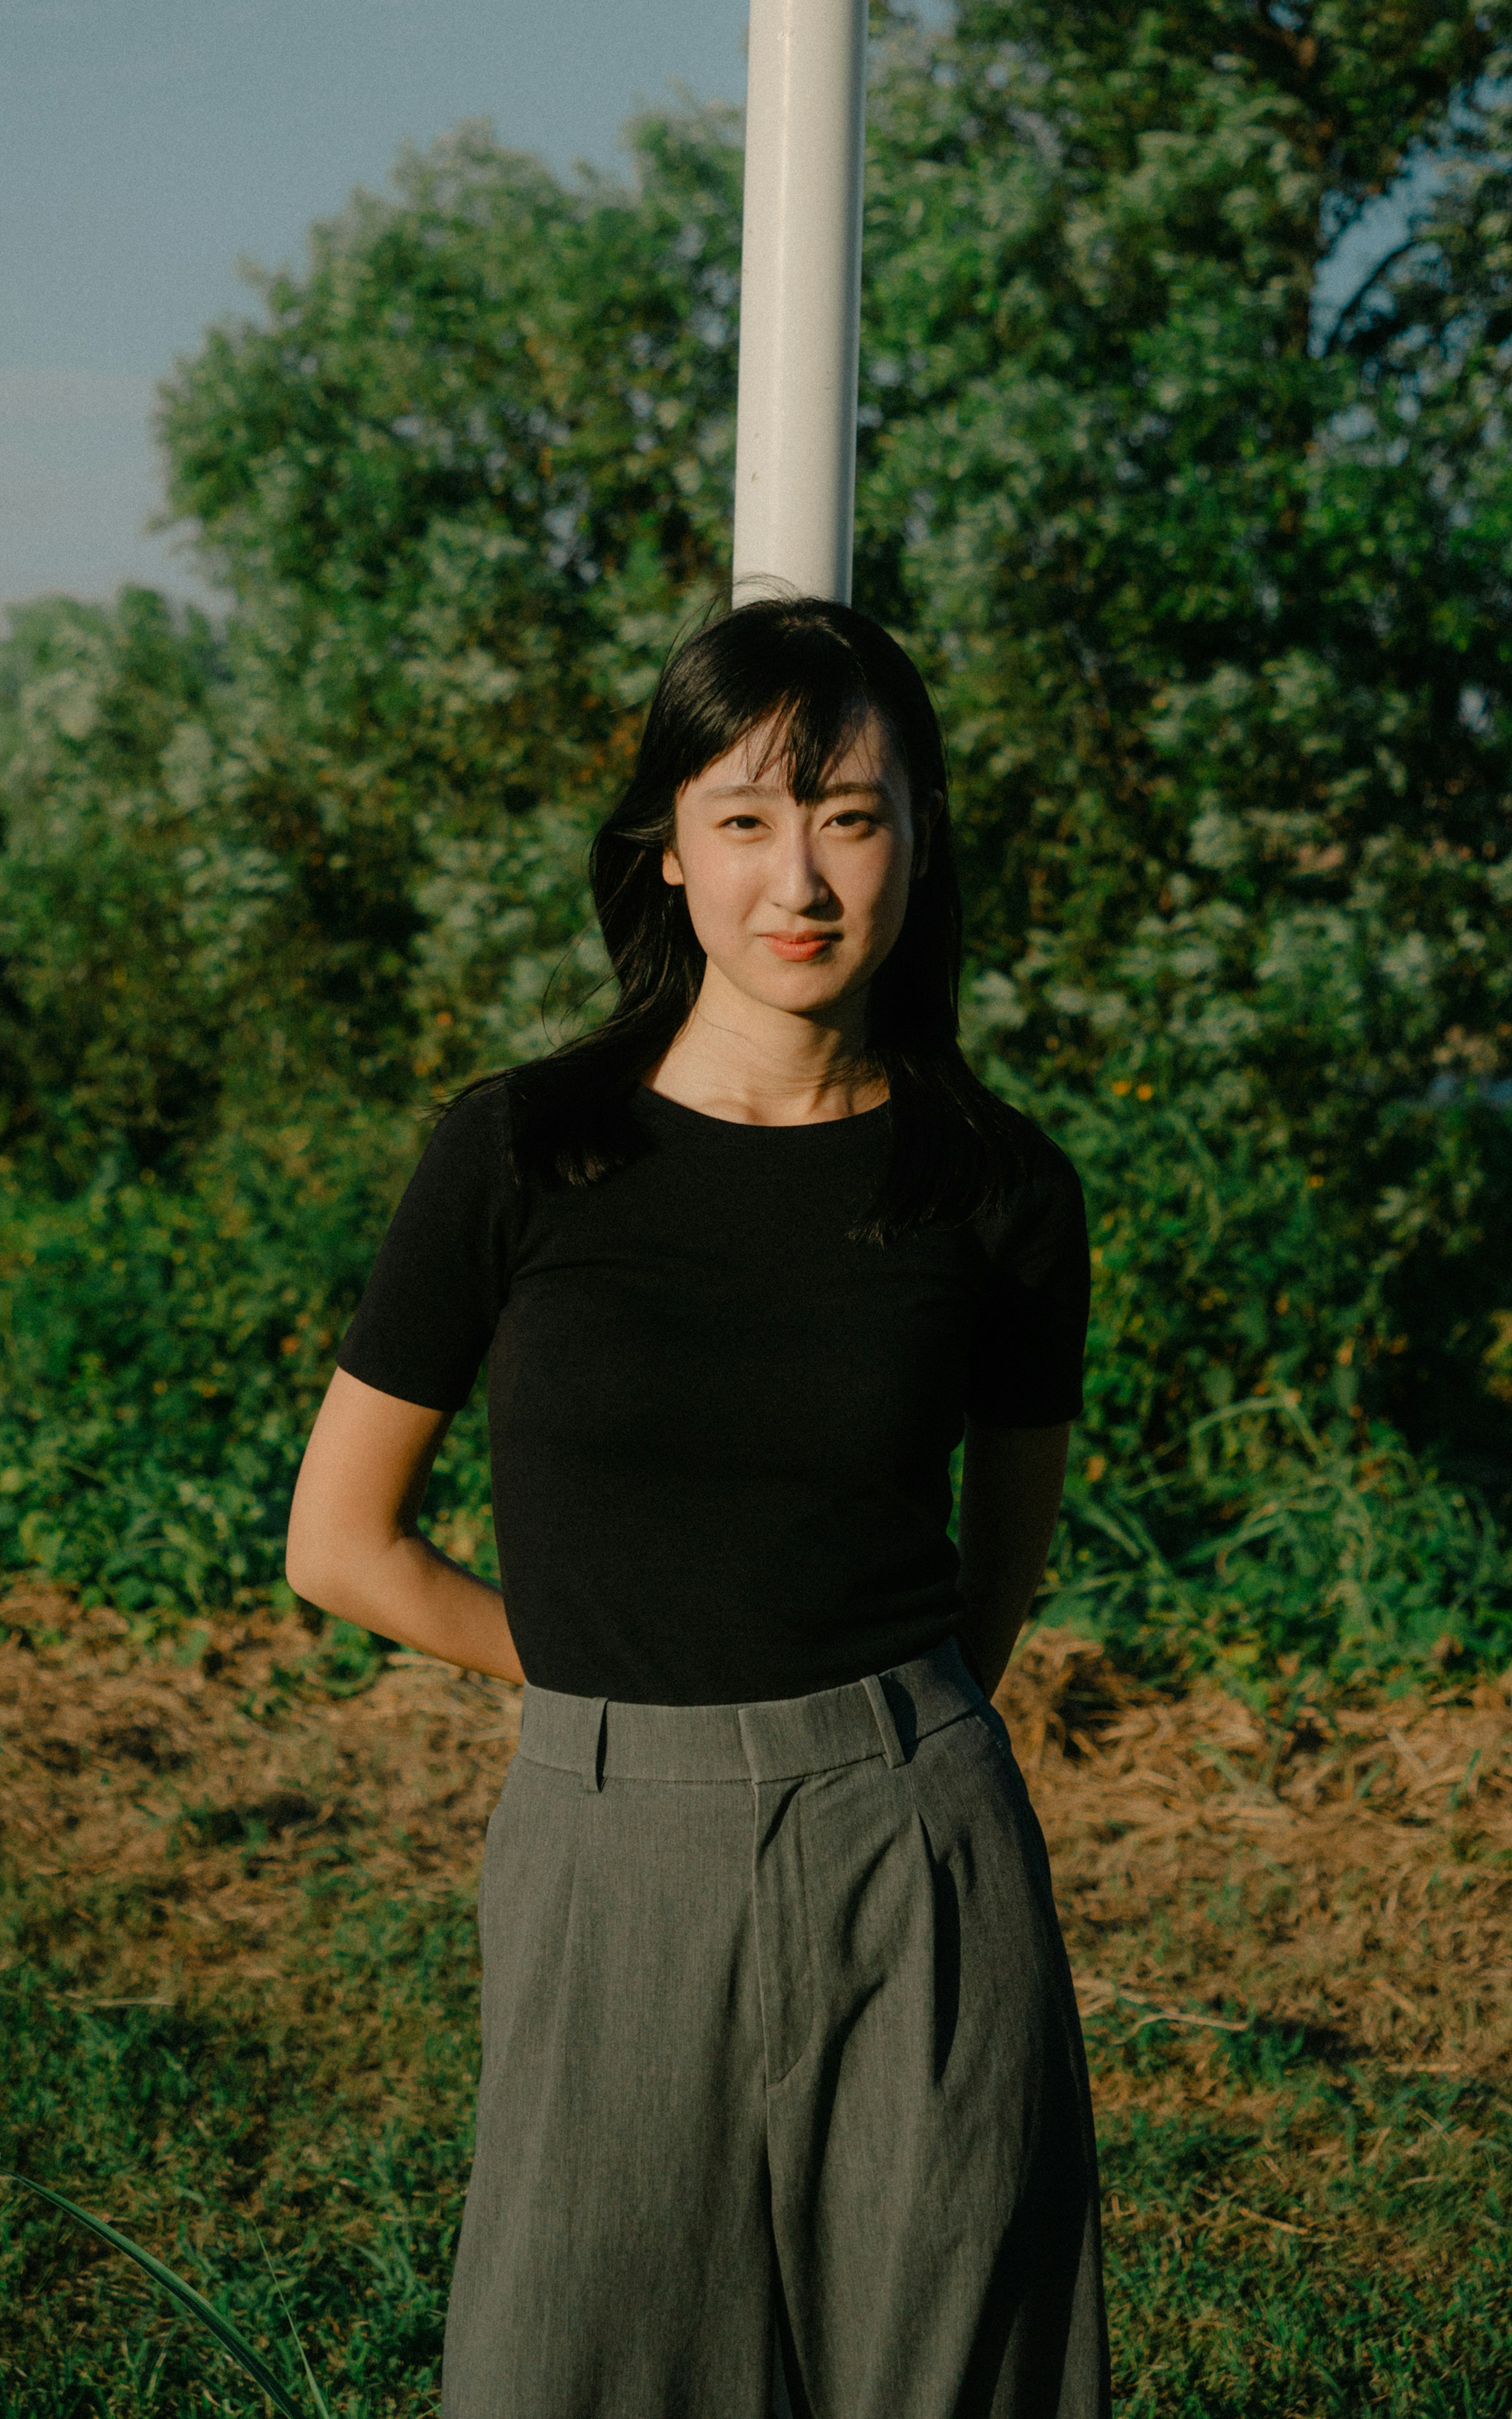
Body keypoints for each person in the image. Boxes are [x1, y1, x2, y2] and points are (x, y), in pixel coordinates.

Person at [285, 597, 1108, 2419]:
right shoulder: (522, 1150)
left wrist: (871, 1747)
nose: (798, 875)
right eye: (746, 817)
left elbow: (1002, 1565)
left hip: (920, 1845)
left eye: (852, 813)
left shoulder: (1001, 1187)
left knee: (950, 2355)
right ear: (668, 850)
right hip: (606, 1841)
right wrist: (609, 1686)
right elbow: (338, 1544)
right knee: (577, 2362)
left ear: (916, 841)